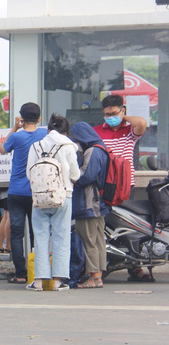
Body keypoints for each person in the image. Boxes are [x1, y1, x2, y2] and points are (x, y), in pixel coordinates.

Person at [92, 94, 150, 282]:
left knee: (131, 229)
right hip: (102, 187)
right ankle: (103, 264)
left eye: (114, 113)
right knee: (104, 227)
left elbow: (142, 123)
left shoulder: (129, 131)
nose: (110, 117)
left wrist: (122, 118)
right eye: (107, 114)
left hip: (125, 186)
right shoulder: (97, 131)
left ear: (122, 111)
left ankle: (135, 267)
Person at [25, 114, 80, 292]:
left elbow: (29, 173)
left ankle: (39, 281)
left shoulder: (36, 146)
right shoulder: (69, 146)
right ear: (65, 131)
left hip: (39, 198)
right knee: (61, 238)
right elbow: (76, 175)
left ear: (48, 129)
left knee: (40, 238)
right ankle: (58, 281)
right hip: (63, 196)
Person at [0, 102, 48, 283]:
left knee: (17, 233)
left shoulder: (17, 137)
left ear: (22, 118)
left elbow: (2, 148)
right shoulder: (45, 134)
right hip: (38, 191)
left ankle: (20, 274)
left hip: (17, 191)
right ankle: (39, 271)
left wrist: (14, 127)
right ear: (39, 118)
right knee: (38, 232)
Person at [70, 122, 111, 289]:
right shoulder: (101, 148)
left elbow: (86, 176)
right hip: (98, 202)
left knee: (89, 239)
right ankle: (98, 274)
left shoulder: (93, 151)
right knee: (98, 239)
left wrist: (72, 172)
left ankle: (94, 277)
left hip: (89, 202)